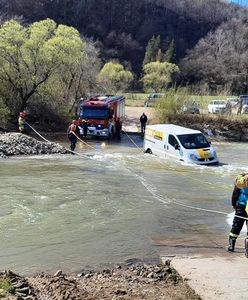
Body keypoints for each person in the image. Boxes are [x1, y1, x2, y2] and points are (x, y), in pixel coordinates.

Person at [227, 173, 248, 254]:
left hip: (241, 205)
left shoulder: (240, 181)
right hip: (243, 206)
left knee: (236, 225)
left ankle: (231, 246)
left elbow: (235, 193)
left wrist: (234, 204)